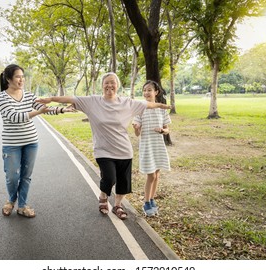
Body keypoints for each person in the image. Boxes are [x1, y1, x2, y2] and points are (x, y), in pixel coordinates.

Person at [37, 72, 171, 220]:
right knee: (109, 178)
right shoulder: (92, 101)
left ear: (117, 85)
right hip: (103, 150)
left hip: (124, 151)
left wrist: (163, 105)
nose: (110, 85)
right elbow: (70, 98)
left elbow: (149, 104)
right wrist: (51, 99)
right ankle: (103, 195)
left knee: (124, 182)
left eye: (113, 82)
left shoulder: (128, 103)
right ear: (102, 85)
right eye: (106, 82)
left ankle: (118, 206)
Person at [0, 64, 74, 218]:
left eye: (22, 76)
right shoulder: (1, 97)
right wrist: (37, 112)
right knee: (12, 176)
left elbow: (43, 107)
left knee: (26, 175)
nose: (21, 79)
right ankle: (11, 200)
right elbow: (14, 117)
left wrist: (62, 109)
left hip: (31, 142)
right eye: (18, 76)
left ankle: (22, 206)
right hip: (11, 144)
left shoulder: (29, 95)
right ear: (8, 79)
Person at [132, 80, 171, 217]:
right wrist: (137, 128)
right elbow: (137, 134)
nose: (146, 92)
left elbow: (167, 130)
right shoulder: (140, 109)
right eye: (144, 90)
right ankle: (146, 202)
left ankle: (152, 199)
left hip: (158, 145)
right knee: (151, 175)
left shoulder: (162, 109)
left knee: (157, 174)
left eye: (149, 90)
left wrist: (162, 130)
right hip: (147, 146)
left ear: (156, 92)